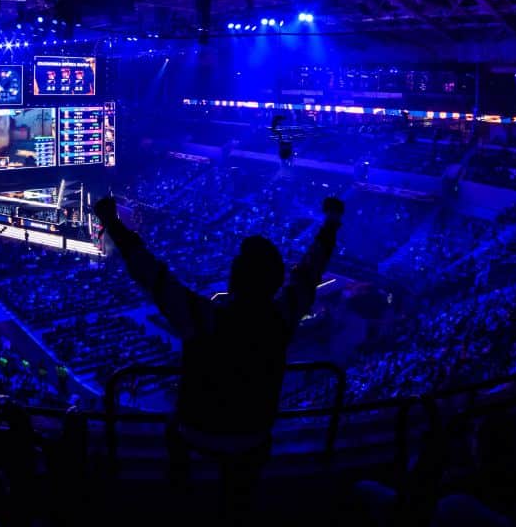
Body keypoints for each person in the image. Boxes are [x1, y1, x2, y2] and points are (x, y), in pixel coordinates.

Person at [92, 192, 345, 516]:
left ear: (233, 279)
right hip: (253, 435)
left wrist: (112, 223)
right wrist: (332, 223)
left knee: (175, 446)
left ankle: (179, 502)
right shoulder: (283, 316)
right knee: (239, 499)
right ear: (275, 282)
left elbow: (150, 273)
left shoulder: (202, 316)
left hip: (195, 431)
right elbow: (310, 270)